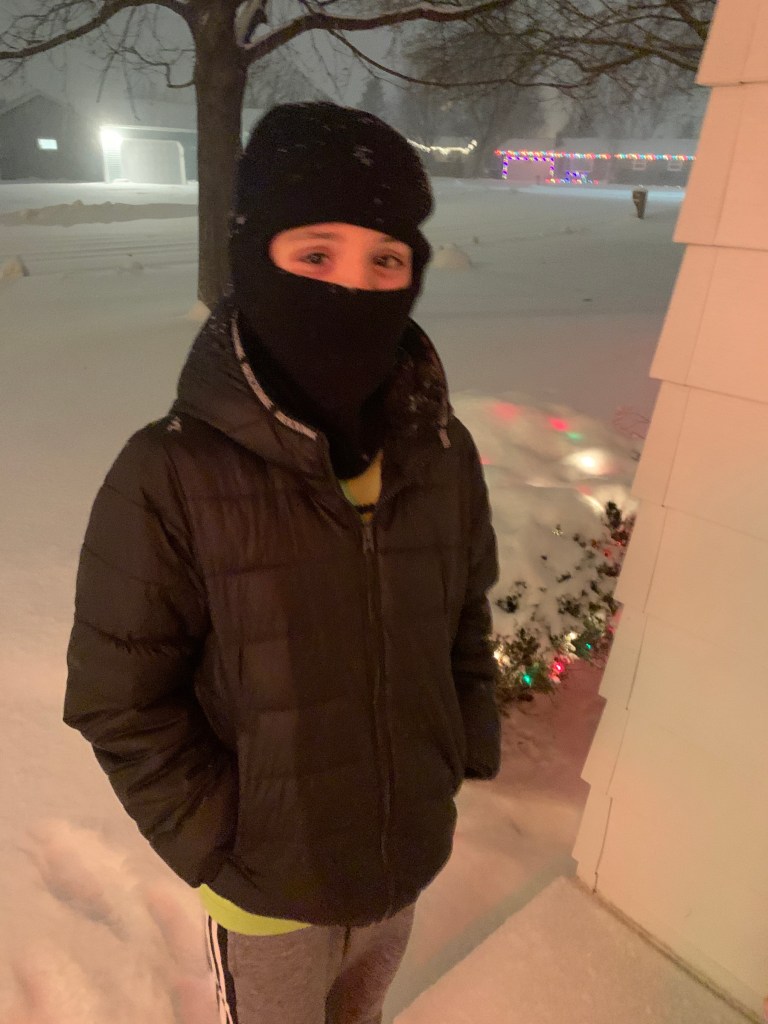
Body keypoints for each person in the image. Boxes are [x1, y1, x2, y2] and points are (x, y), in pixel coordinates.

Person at [64, 101, 501, 1024]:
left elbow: (464, 616)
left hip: (401, 863)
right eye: (316, 255)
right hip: (266, 898)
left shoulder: (439, 452)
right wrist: (227, 844)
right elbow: (119, 701)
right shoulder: (170, 473)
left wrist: (451, 757)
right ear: (253, 259)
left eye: (386, 261)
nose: (355, 288)